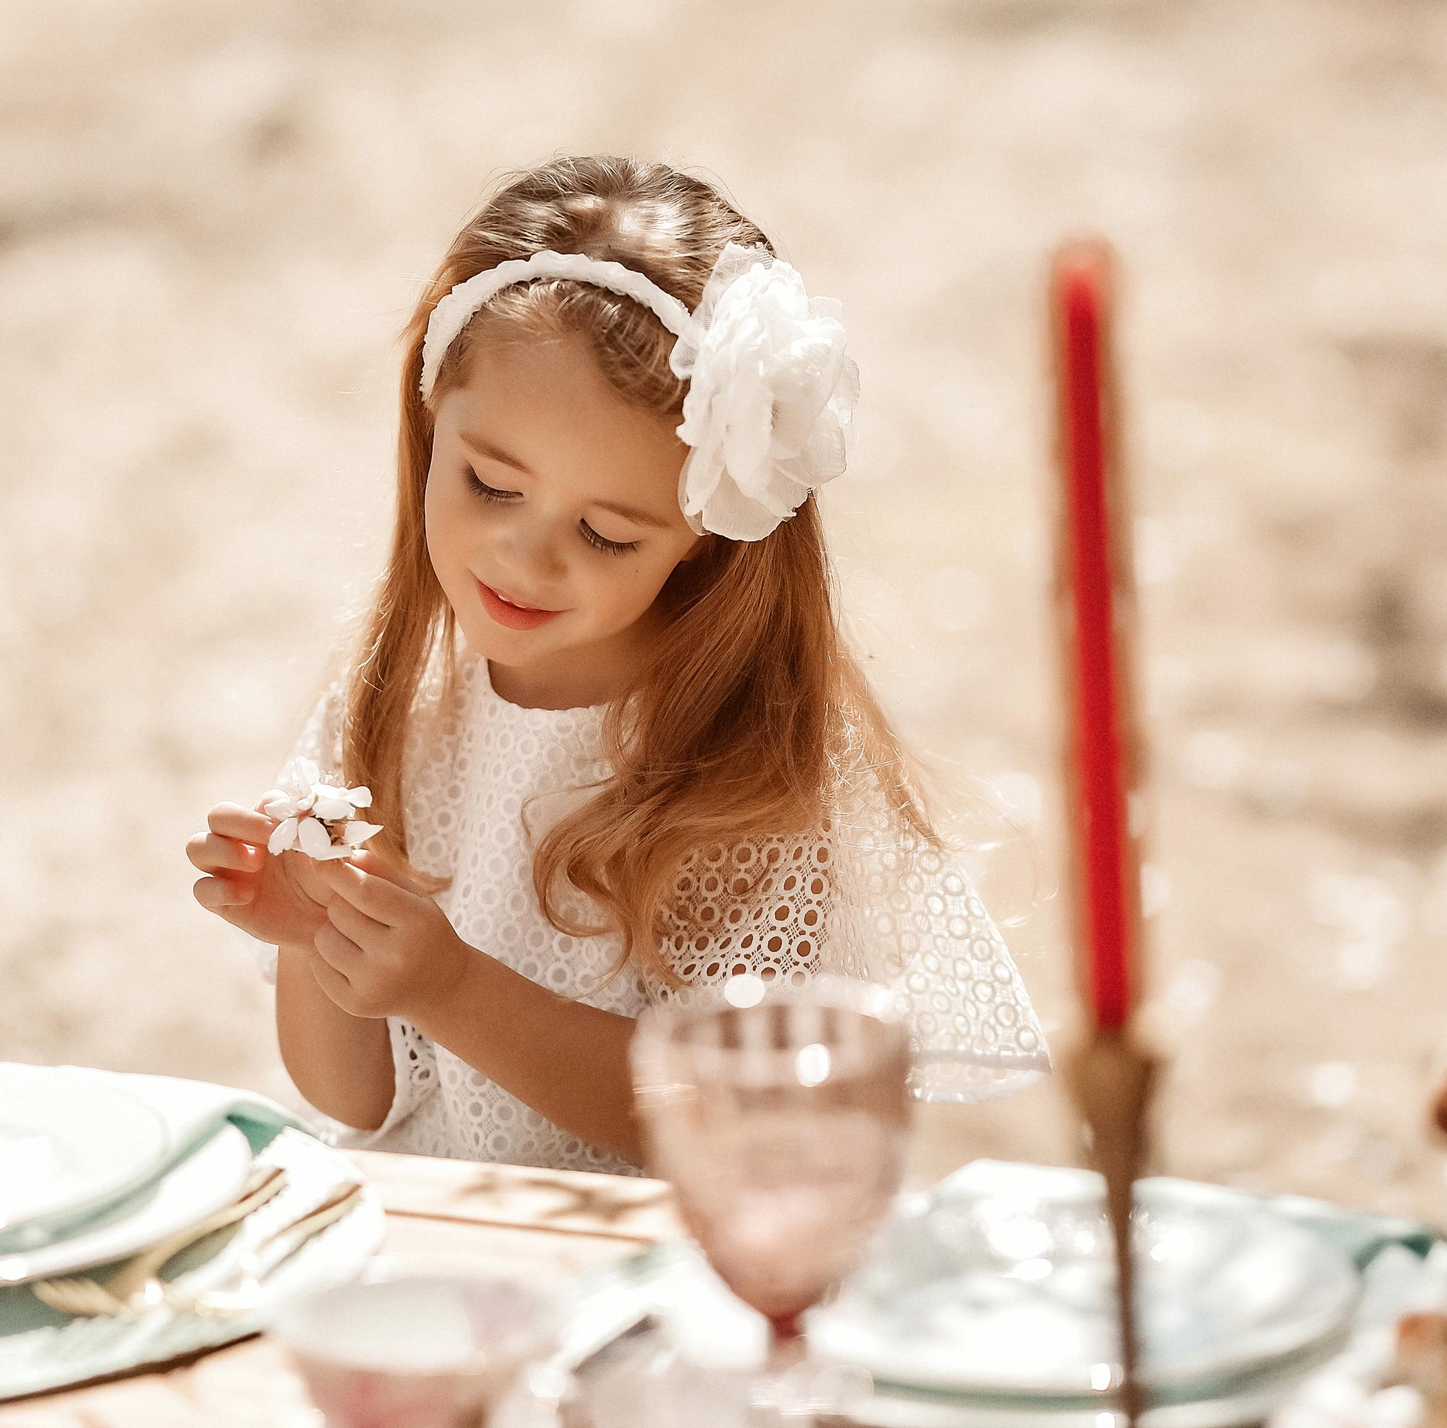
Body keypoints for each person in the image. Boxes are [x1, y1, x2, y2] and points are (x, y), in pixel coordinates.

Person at [187, 155, 1045, 1174]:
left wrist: (453, 987)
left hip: (644, 1248)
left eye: (605, 533)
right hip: (432, 1224)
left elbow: (737, 1114)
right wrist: (317, 938)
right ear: (429, 423)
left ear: (703, 538)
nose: (527, 556)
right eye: (491, 484)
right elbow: (355, 1098)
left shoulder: (737, 771)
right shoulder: (398, 707)